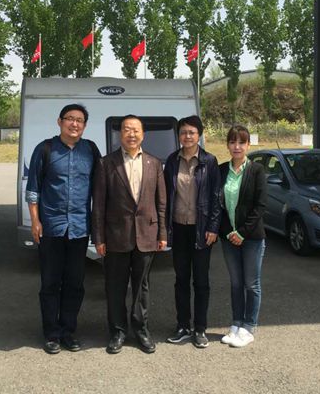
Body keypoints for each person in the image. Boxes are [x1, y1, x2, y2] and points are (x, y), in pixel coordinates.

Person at [25, 103, 101, 354]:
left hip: (79, 228)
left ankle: (68, 331)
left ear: (85, 125)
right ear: (60, 122)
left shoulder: (90, 150)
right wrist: (35, 221)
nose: (74, 124)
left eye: (79, 120)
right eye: (70, 118)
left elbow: (100, 189)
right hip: (51, 228)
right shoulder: (45, 149)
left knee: (75, 283)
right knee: (50, 282)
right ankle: (51, 333)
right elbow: (33, 189)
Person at [92, 115, 167, 354]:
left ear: (143, 134)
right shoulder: (106, 163)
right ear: (119, 134)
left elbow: (161, 203)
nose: (131, 134)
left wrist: (162, 233)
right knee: (115, 287)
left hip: (147, 235)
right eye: (126, 129)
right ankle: (118, 331)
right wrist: (99, 238)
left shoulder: (154, 163)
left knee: (141, 287)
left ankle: (141, 330)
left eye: (135, 130)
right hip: (116, 236)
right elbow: (99, 205)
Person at [163, 115, 221, 348]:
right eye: (183, 132)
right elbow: (166, 196)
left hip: (201, 230)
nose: (187, 136)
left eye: (192, 132)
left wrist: (213, 227)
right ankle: (183, 326)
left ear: (199, 135)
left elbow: (216, 197)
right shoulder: (172, 160)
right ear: (178, 135)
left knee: (201, 281)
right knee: (181, 279)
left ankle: (200, 328)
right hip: (178, 228)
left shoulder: (209, 161)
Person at [218, 124, 267, 348]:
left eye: (241, 142)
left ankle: (249, 327)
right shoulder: (221, 170)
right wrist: (229, 232)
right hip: (229, 238)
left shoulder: (256, 170)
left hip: (251, 238)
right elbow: (218, 205)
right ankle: (236, 324)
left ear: (248, 145)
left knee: (251, 284)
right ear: (227, 145)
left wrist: (242, 233)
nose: (236, 146)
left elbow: (260, 206)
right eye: (232, 142)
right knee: (236, 283)